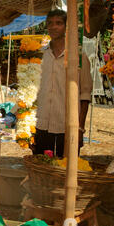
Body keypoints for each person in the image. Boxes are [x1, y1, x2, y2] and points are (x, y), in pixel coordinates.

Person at [33, 9, 92, 157]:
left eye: (58, 23)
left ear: (66, 27)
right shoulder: (40, 55)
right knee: (41, 167)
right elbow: (32, 89)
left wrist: (80, 128)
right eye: (50, 23)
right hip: (42, 123)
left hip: (67, 125)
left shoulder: (78, 56)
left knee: (65, 170)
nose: (53, 27)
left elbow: (85, 95)